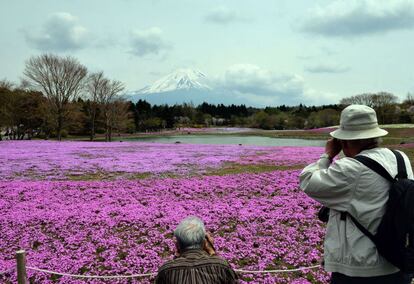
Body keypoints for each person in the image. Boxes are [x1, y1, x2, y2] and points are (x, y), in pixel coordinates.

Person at [299, 104, 414, 284]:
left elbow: (307, 180)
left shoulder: (351, 168)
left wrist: (327, 155)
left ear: (344, 141)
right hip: (397, 262)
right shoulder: (400, 157)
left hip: (360, 269)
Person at [155, 216, 238, 284]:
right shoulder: (221, 266)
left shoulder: (166, 270)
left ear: (177, 245)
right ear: (205, 242)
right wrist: (212, 252)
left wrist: (176, 255)